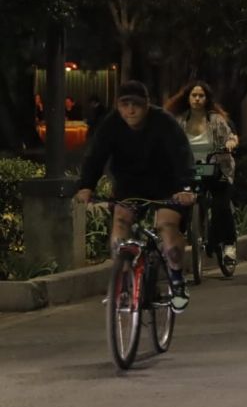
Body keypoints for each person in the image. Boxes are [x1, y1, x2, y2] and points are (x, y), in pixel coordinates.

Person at [74, 80, 195, 312]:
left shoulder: (164, 123)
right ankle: (125, 283)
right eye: (125, 104)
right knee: (120, 223)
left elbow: (182, 155)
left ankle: (178, 281)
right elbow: (95, 155)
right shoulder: (111, 124)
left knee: (167, 230)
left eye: (136, 105)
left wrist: (186, 188)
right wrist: (86, 185)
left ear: (147, 105)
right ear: (118, 106)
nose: (130, 110)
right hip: (129, 185)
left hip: (167, 184)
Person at [164, 81, 240, 264]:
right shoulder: (180, 120)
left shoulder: (215, 120)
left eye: (201, 96)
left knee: (221, 204)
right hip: (188, 170)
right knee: (177, 203)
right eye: (194, 95)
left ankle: (229, 244)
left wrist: (230, 144)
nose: (197, 99)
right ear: (188, 98)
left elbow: (230, 137)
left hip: (216, 168)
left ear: (207, 99)